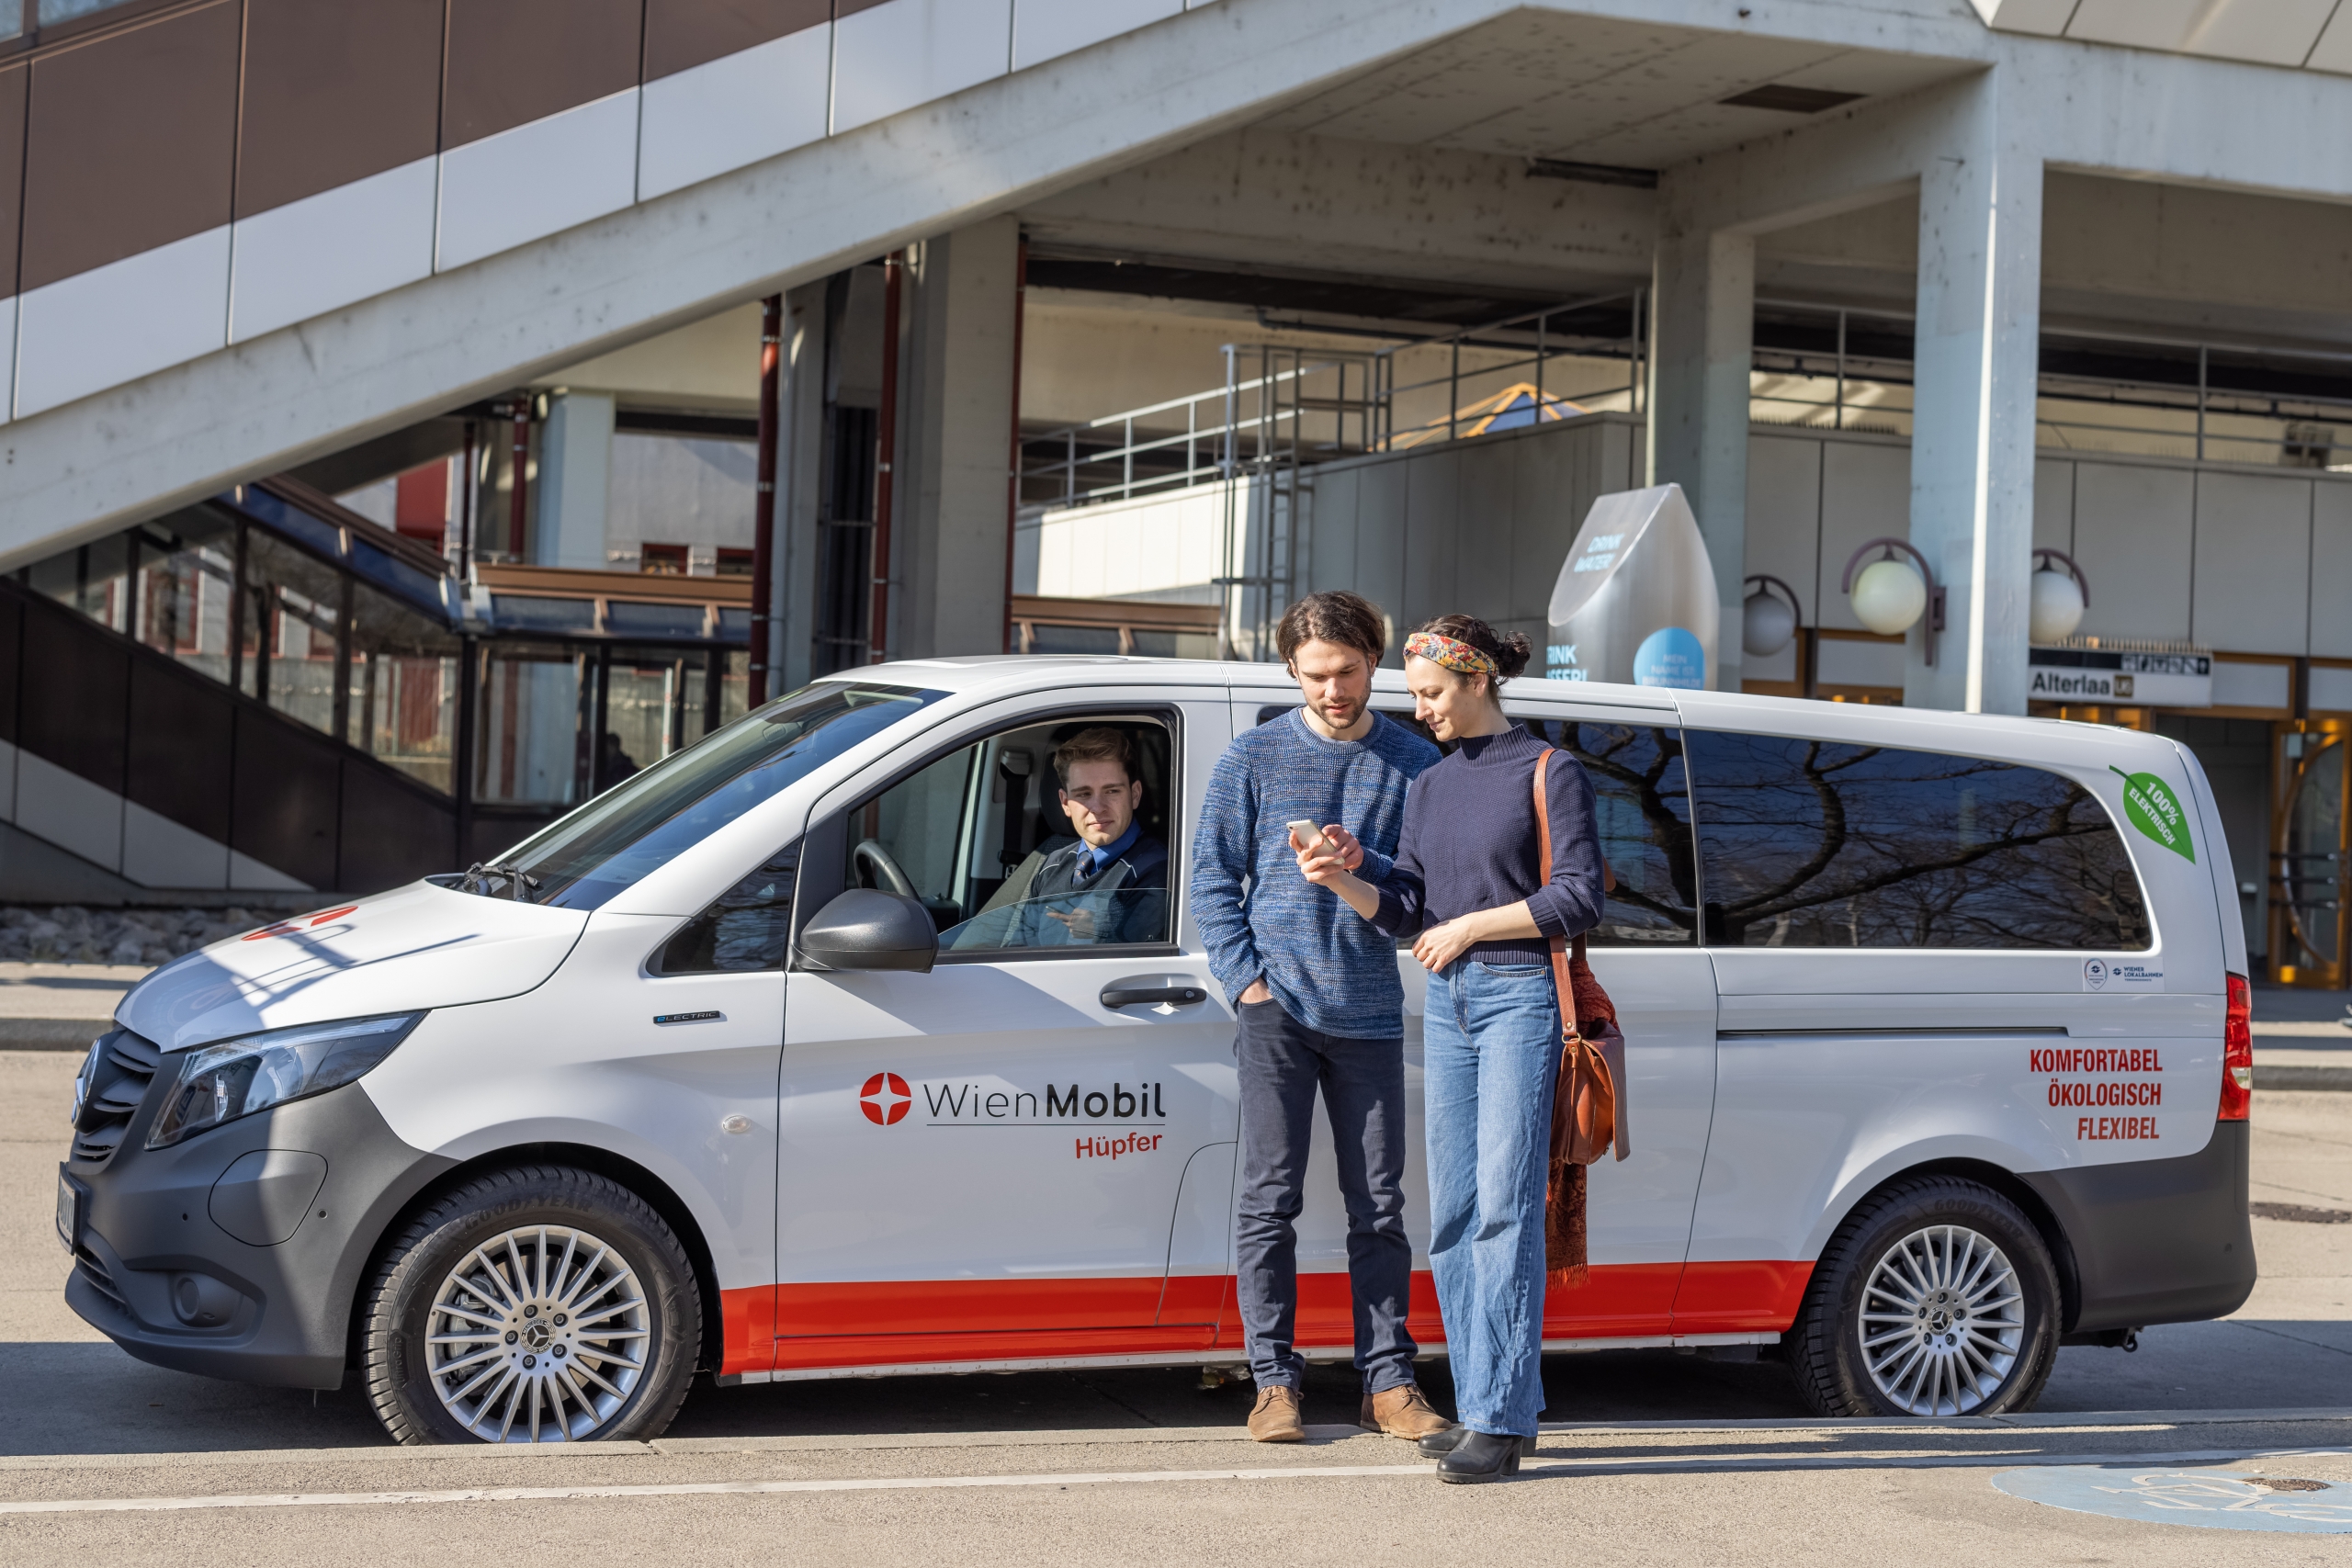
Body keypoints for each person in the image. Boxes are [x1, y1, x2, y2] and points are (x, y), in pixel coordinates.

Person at [1297, 614, 1606, 1483]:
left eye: (1432, 692)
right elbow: (1407, 908)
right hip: (1449, 1001)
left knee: (1507, 1208)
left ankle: (1502, 1420)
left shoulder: (1549, 770)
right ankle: (1487, 1402)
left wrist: (1469, 925)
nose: (1420, 708)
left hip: (1519, 998)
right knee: (1458, 1216)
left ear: (1477, 681)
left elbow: (1579, 896)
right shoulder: (1430, 786)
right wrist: (1344, 874)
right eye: (1416, 694)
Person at [1192, 590, 1454, 1446]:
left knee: (1378, 1205)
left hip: (1371, 1014)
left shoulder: (1418, 765)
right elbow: (1211, 881)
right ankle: (1273, 1381)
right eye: (1314, 676)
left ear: (1374, 662)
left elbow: (1421, 903)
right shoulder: (1253, 758)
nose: (1332, 690)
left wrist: (1358, 860)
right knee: (1267, 1200)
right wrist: (1247, 986)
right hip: (1278, 1012)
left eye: (1346, 672)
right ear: (1290, 672)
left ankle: (1389, 1382)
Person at [952, 727, 1167, 949]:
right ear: (1065, 803)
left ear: (1135, 795)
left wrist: (1101, 931)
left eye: (1111, 791)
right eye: (1083, 794)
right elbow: (1019, 952)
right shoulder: (1052, 864)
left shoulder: (1157, 873)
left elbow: (1142, 967)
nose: (1097, 807)